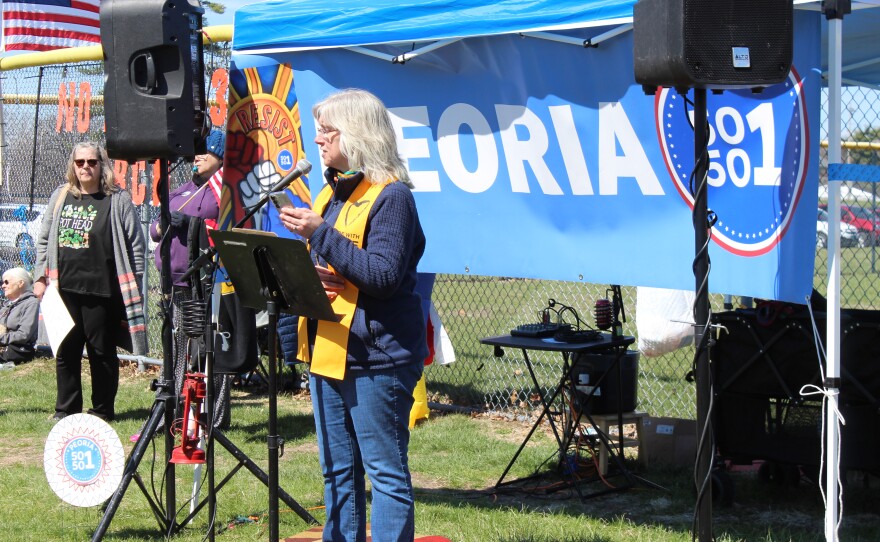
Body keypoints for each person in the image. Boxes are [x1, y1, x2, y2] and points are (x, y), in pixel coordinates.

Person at [278, 88, 427, 542]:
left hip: (375, 358)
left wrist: (321, 234)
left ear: (358, 134)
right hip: (328, 351)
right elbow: (340, 268)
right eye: (318, 130)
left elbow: (381, 275)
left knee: (385, 476)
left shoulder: (392, 197)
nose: (318, 140)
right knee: (337, 475)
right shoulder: (331, 194)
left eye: (328, 131)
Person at [34, 141, 147, 422]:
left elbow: (137, 245)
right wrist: (39, 277)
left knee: (101, 353)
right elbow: (45, 238)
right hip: (64, 290)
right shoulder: (60, 196)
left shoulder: (117, 199)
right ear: (73, 166)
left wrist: (134, 286)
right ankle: (66, 410)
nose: (86, 167)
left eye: (92, 162)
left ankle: (102, 411)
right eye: (80, 162)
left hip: (102, 290)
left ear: (102, 165)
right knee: (66, 351)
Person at [149, 128, 240, 430]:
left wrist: (194, 223)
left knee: (212, 349)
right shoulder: (183, 189)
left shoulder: (225, 192)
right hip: (179, 282)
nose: (197, 157)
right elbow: (155, 228)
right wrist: (162, 225)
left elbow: (229, 227)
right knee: (179, 348)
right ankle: (176, 412)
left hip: (211, 282)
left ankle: (214, 416)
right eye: (196, 151)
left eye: (206, 151)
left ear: (221, 157)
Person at [0, 267, 40, 367]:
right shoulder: (6, 306)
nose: (3, 286)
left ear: (20, 283)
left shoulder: (31, 303)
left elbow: (24, 335)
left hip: (17, 349)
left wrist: (1, 338)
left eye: (6, 282)